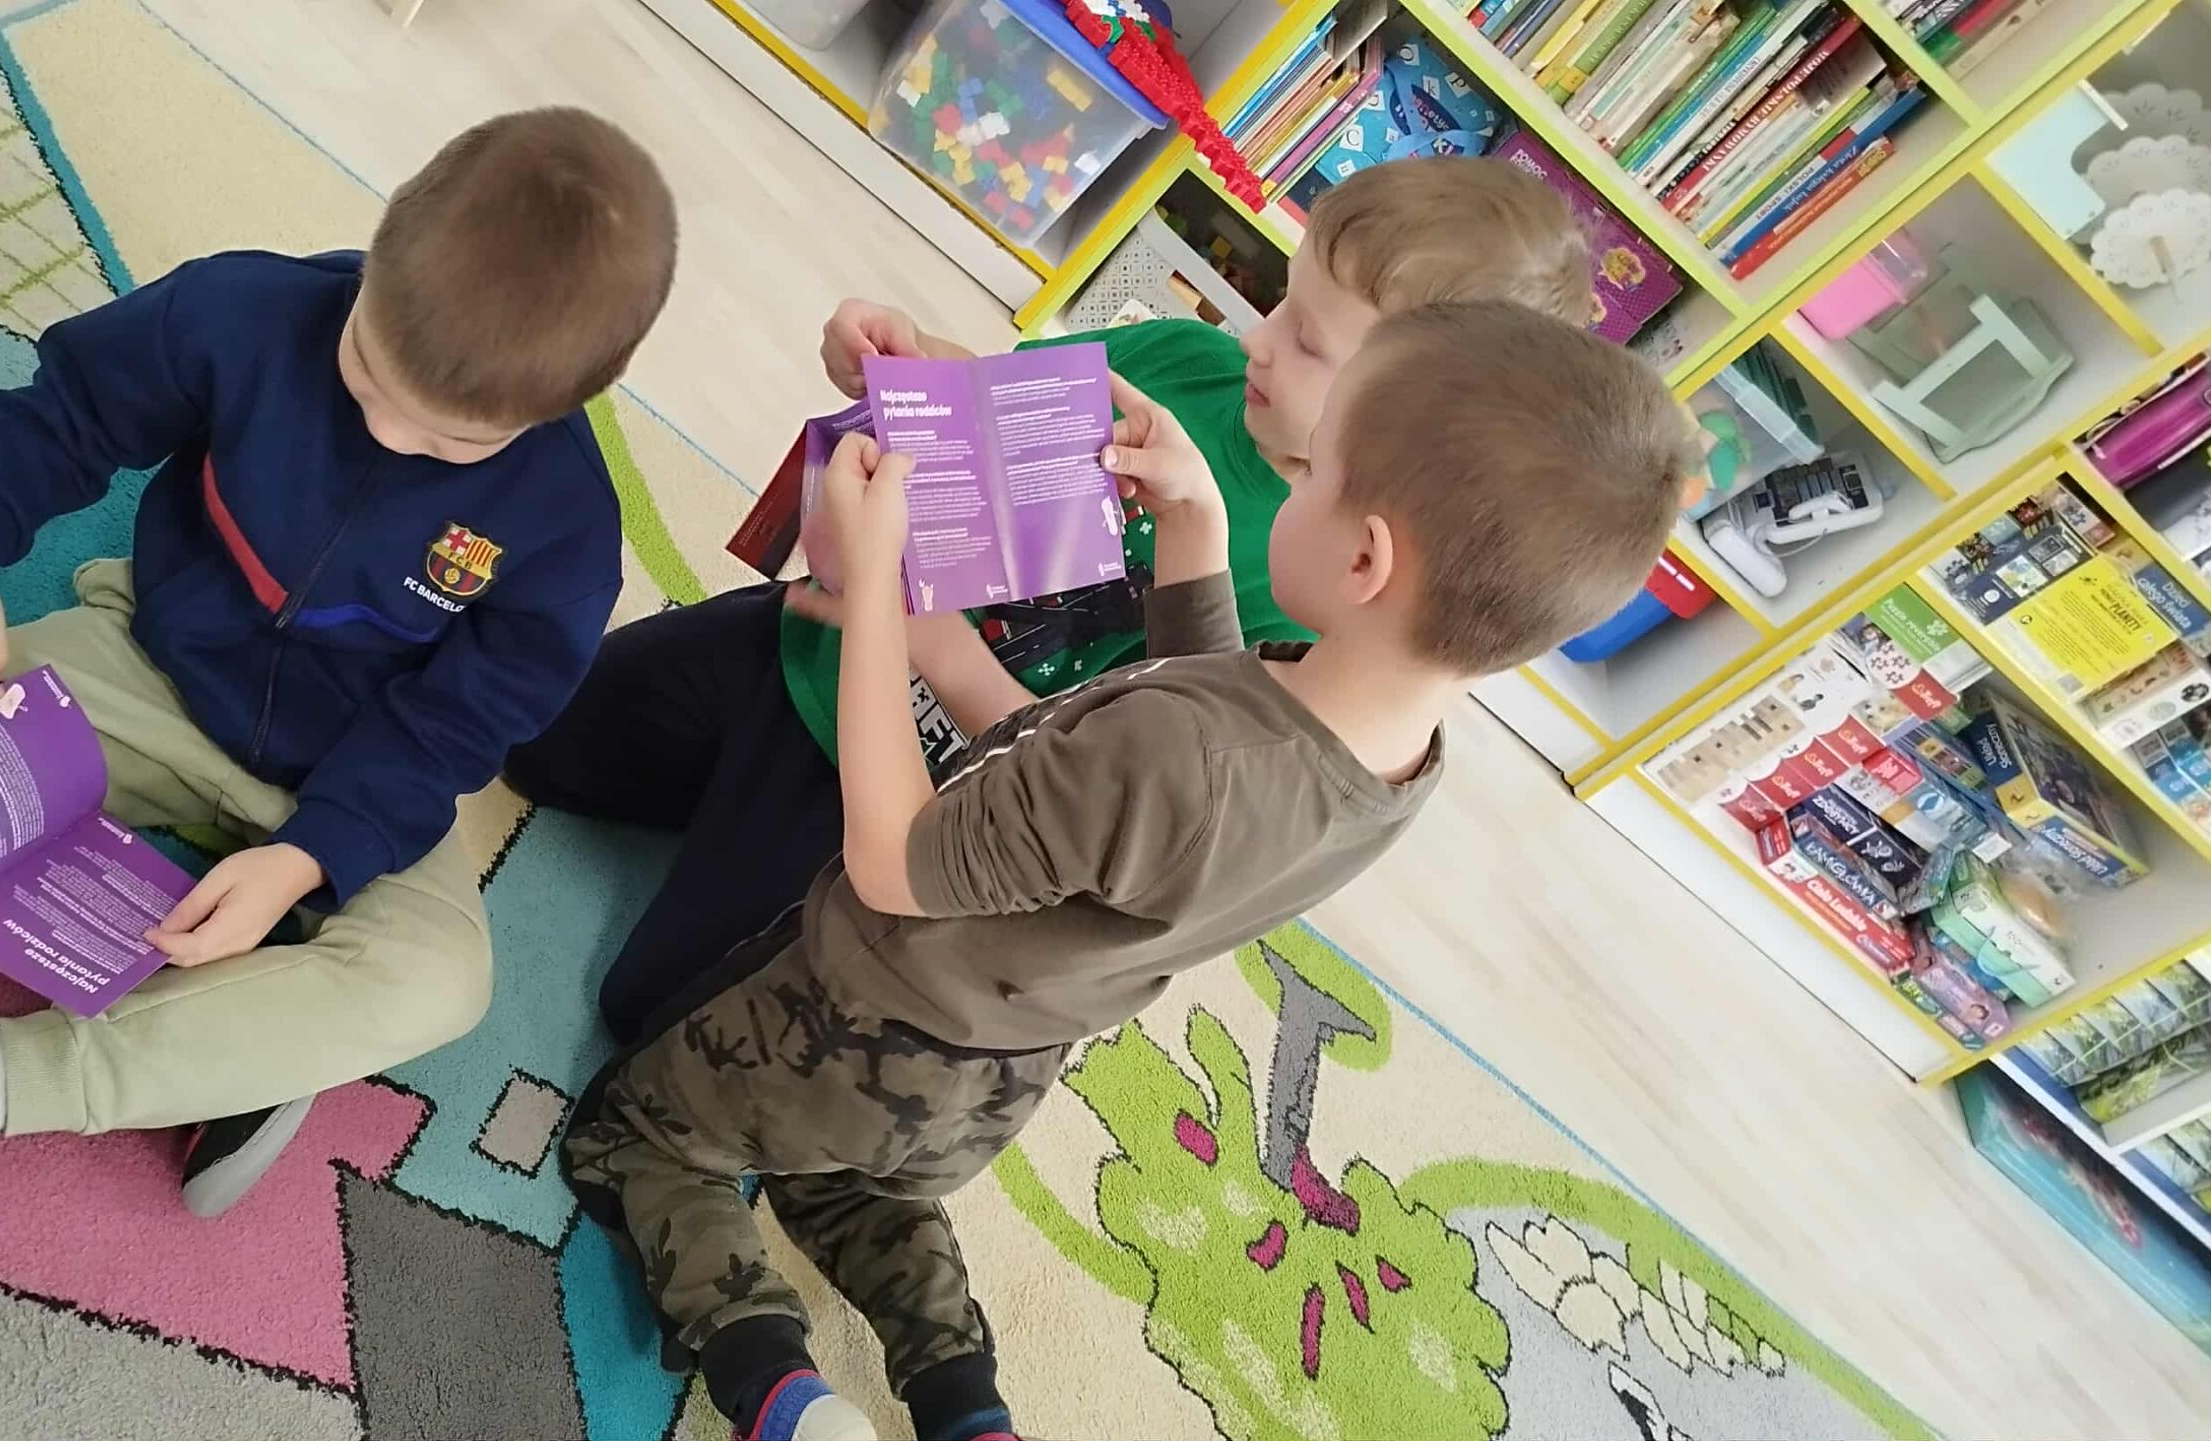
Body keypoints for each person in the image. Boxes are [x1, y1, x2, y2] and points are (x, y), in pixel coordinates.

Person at [562, 302, 1701, 1441]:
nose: (1289, 484)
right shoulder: (1392, 756)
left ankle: (773, 1382)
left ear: (1365, 558)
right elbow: (1212, 712)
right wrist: (1197, 524)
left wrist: (874, 597)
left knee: (640, 1137)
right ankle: (962, 1402)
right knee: (868, 1188)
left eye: (1316, 475)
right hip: (991, 1079)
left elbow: (897, 859)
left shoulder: (1176, 757)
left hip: (862, 1010)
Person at [0, 109, 678, 1332]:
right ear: (379, 246)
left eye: (450, 439)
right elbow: (69, 410)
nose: (387, 433)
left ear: (574, 400)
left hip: (353, 781)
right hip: (148, 673)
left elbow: (460, 725)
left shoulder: (565, 530)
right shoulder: (244, 311)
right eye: (368, 376)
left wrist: (310, 855)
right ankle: (247, 1033)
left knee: (439, 982)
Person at [498, 154, 1596, 1044]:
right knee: (534, 743)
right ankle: (723, 800)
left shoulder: (1316, 605)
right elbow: (995, 401)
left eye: (1309, 343)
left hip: (913, 792)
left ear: (1407, 419)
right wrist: (901, 362)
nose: (1258, 338)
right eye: (1280, 301)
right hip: (812, 645)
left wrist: (917, 634)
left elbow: (1086, 772)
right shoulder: (1191, 360)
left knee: (649, 1010)